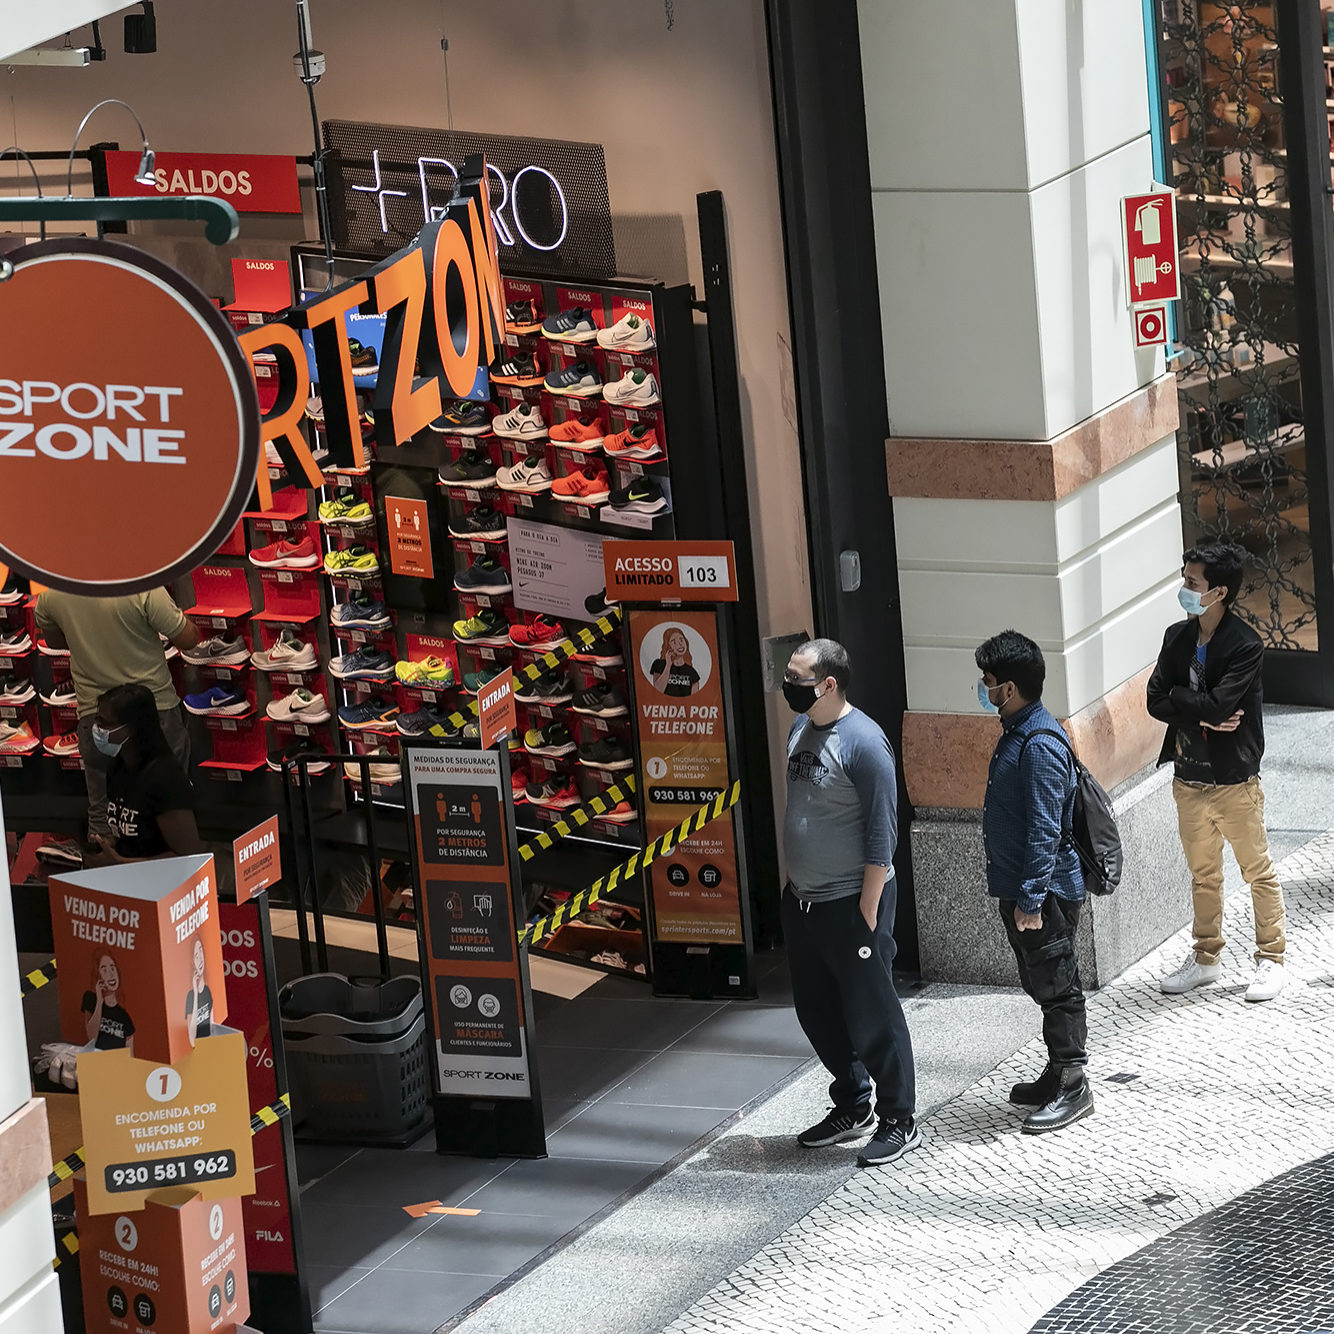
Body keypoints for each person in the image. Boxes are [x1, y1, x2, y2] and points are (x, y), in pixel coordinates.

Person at [781, 637, 918, 1167]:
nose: (787, 687)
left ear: (828, 684)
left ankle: (899, 1117)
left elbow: (884, 833)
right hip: (804, 903)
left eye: (796, 679)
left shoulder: (864, 741)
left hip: (851, 905)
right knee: (816, 1010)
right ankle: (854, 1102)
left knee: (873, 1013)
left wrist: (868, 909)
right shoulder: (800, 730)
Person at [1146, 542, 1286, 1002]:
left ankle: (1271, 960)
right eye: (1185, 579)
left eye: (1192, 583)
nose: (1184, 589)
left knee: (1257, 872)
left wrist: (1188, 704)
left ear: (1219, 592)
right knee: (1203, 874)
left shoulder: (1245, 644)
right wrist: (1201, 714)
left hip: (1233, 780)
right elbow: (1152, 700)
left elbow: (1217, 703)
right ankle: (1206, 957)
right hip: (1188, 777)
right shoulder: (1176, 637)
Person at [976, 629, 1092, 1134]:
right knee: (1042, 983)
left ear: (1011, 688)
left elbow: (1046, 828)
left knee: (1058, 985)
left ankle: (1074, 1084)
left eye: (988, 681)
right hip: (1023, 889)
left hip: (1041, 894)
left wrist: (1030, 899)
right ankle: (1056, 1071)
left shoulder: (1039, 744)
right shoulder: (1017, 730)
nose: (983, 688)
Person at [35, 589, 198, 840]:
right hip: (153, 711)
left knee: (103, 819)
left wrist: (91, 636)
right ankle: (167, 873)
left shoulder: (53, 592)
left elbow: (56, 641)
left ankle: (107, 869)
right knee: (169, 816)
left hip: (97, 717)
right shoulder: (142, 586)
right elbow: (188, 639)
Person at [86, 684, 204, 866]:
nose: (98, 729)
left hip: (165, 887)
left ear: (132, 728)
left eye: (106, 724)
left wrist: (121, 864)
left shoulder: (165, 779)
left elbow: (188, 858)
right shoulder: (117, 768)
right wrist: (107, 847)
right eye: (97, 721)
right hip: (129, 881)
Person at [82, 950, 134, 1052]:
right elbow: (91, 1038)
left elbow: (130, 1055)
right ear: (98, 975)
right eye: (104, 970)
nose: (110, 974)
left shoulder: (124, 1017)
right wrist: (99, 1002)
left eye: (112, 968)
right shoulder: (90, 999)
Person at [650, 627, 703, 697]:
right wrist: (668, 665)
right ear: (668, 646)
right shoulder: (659, 664)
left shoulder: (692, 672)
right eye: (674, 642)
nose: (680, 644)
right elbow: (658, 691)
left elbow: (694, 701)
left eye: (681, 640)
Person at [185, 938, 214, 1047]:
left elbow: (213, 1027)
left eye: (201, 951)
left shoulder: (208, 991)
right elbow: (192, 1040)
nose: (200, 959)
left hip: (209, 1047)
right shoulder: (190, 996)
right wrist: (196, 994)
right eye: (196, 956)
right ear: (192, 962)